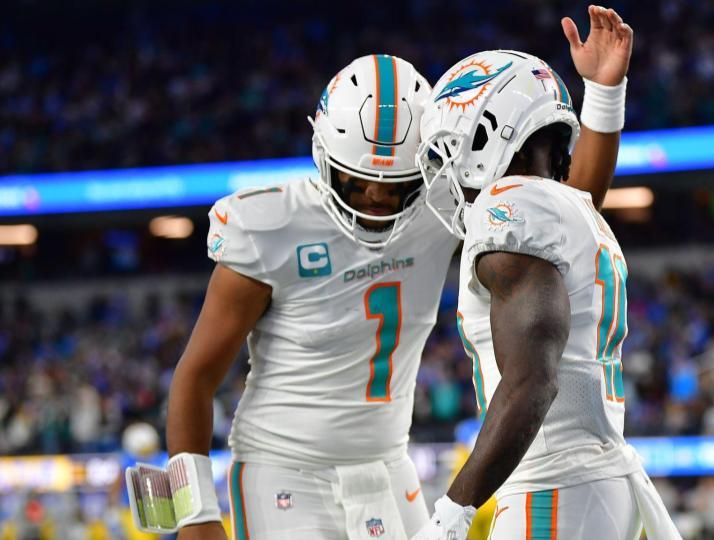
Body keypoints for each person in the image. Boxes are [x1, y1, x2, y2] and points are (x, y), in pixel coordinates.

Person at [161, 6, 631, 539]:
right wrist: (194, 515)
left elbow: (565, 212)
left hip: (388, 465)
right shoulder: (269, 225)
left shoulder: (440, 206)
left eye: (396, 185)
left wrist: (604, 94)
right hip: (283, 467)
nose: (377, 199)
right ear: (323, 157)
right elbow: (194, 377)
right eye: (357, 182)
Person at [413, 40, 680, 540]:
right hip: (593, 486)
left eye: (450, 149)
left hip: (552, 490)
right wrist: (603, 95)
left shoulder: (507, 211)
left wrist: (452, 514)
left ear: (485, 136)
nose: (448, 173)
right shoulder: (565, 209)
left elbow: (532, 381)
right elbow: (583, 194)